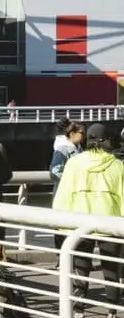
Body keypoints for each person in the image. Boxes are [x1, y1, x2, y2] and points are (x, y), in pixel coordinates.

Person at [53, 124, 124, 307]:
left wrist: (61, 222)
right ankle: (112, 313)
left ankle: (78, 309)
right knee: (111, 269)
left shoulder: (74, 163)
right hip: (110, 223)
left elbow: (64, 194)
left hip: (80, 222)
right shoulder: (117, 165)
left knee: (81, 266)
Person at [49, 119, 85, 186]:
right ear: (72, 134)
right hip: (66, 191)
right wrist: (73, 180)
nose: (84, 135)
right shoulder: (62, 149)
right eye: (81, 133)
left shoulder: (79, 148)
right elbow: (55, 172)